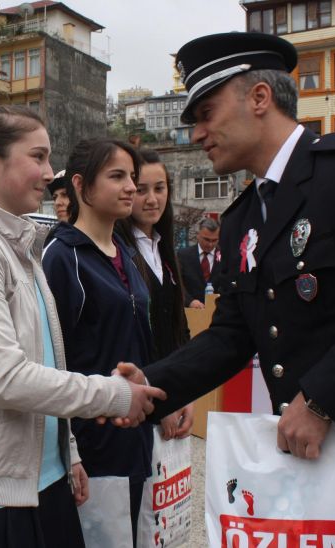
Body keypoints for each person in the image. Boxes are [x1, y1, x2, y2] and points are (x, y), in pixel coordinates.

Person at [115, 32, 335, 547]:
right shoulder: (243, 218)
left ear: (259, 98)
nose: (198, 134)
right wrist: (150, 386)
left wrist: (322, 400)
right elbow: (234, 333)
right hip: (312, 470)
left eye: (206, 113)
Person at [0, 106, 164, 548]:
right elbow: (6, 379)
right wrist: (113, 394)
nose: (49, 172)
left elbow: (48, 359)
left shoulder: (20, 248)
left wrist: (65, 452)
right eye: (37, 157)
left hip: (40, 482)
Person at [42, 139, 161, 545]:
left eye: (133, 177)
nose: (132, 187)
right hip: (92, 444)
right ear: (81, 185)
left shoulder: (124, 252)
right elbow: (50, 361)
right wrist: (69, 446)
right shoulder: (62, 256)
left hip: (136, 437)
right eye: (117, 177)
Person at [116, 148, 193, 439]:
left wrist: (186, 392)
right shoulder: (119, 251)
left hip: (171, 390)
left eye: (159, 188)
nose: (152, 199)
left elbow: (178, 327)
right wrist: (159, 403)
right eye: (141, 190)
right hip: (140, 400)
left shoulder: (164, 248)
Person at [177, 217, 221, 308]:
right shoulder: (183, 256)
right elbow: (177, 283)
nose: (210, 244)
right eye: (206, 239)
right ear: (198, 235)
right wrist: (189, 301)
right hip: (190, 313)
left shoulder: (225, 257)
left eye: (214, 240)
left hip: (218, 314)